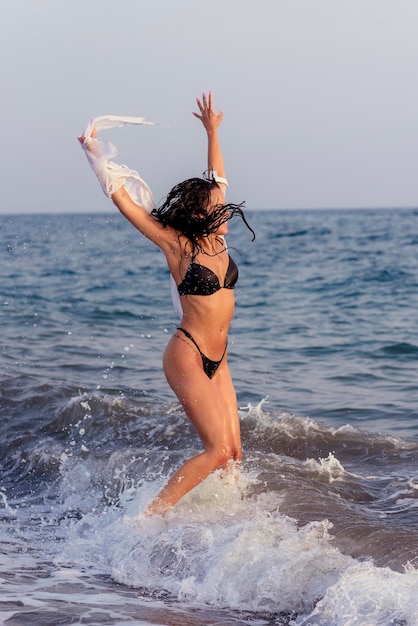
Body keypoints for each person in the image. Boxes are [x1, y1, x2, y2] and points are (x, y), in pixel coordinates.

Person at [79, 92, 255, 514]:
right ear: (201, 215)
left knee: (234, 455)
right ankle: (148, 520)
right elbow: (126, 204)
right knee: (216, 451)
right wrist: (94, 156)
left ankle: (226, 524)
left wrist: (212, 131)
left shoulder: (217, 238)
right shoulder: (177, 246)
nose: (227, 208)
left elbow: (218, 178)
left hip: (220, 357)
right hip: (188, 356)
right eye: (219, 206)